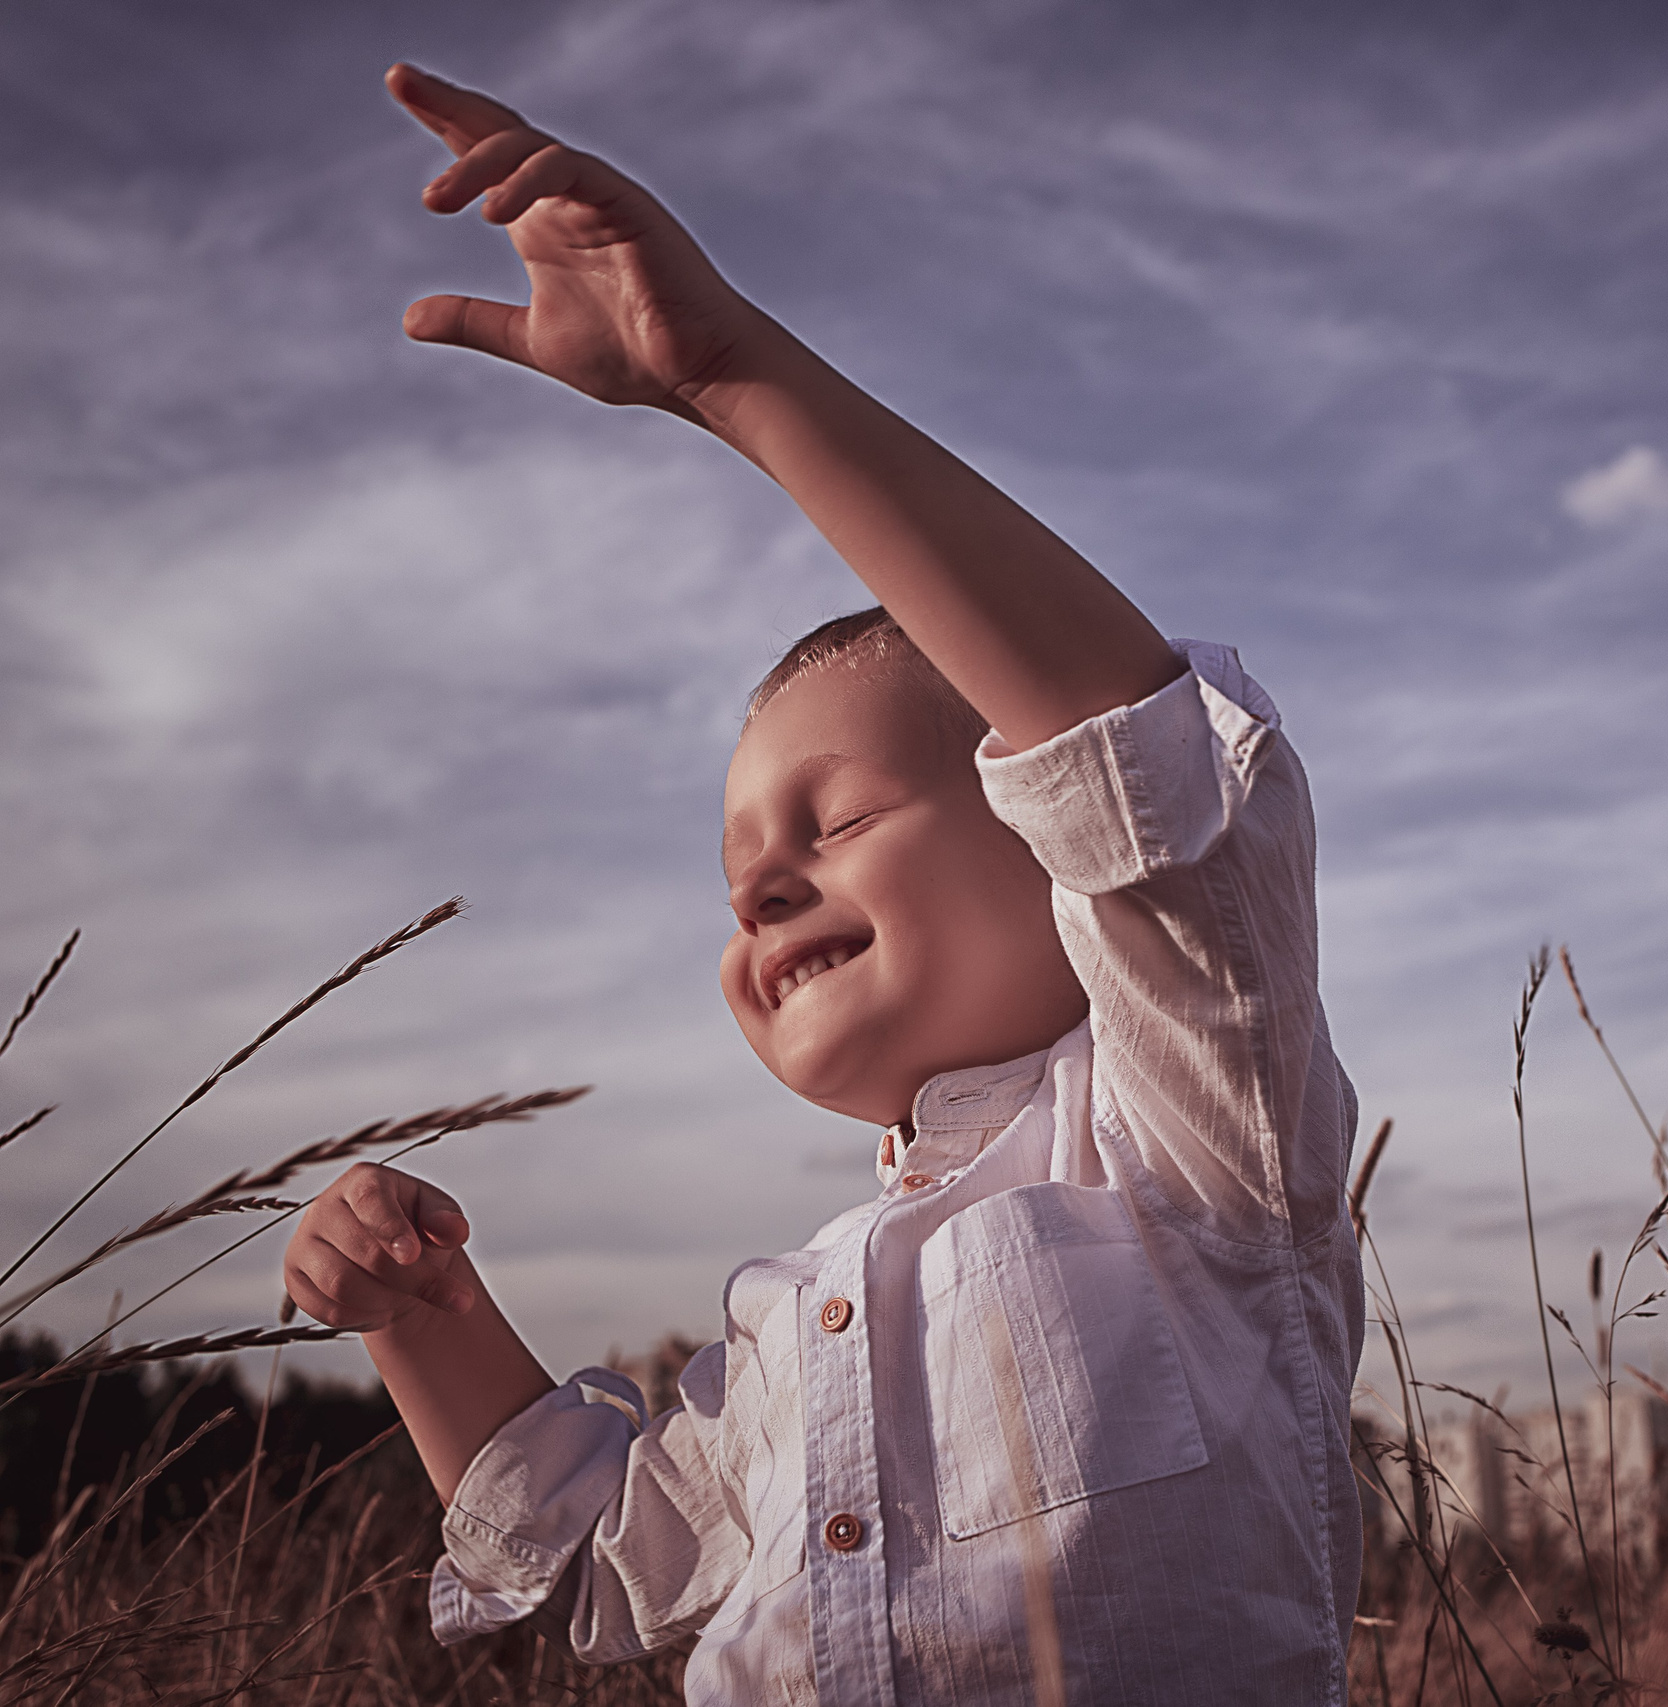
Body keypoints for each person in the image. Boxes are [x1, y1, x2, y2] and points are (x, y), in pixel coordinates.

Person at [282, 63, 1363, 1706]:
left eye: (834, 819)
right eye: (736, 876)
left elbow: (1125, 751)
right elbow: (593, 1562)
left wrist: (730, 378)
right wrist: (423, 1313)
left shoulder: (1192, 1144)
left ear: (1033, 817)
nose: (763, 886)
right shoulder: (797, 1327)